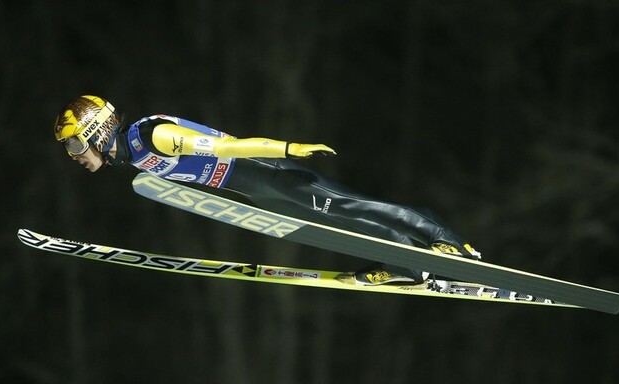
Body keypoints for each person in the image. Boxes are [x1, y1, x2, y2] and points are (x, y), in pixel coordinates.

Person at [53, 95, 481, 285]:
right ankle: (406, 263)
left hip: (266, 170)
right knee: (334, 226)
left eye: (74, 144)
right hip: (254, 191)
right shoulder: (130, 155)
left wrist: (289, 148)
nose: (74, 154)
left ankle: (444, 239)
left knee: (349, 206)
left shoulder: (151, 136)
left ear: (97, 131)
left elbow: (228, 146)